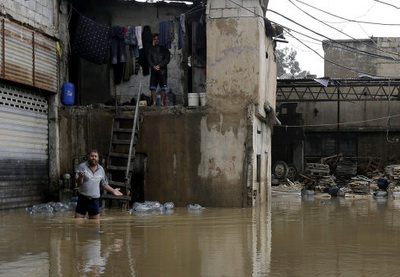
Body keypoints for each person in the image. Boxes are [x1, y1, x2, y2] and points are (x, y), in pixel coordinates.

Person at [75, 150, 123, 219]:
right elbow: (78, 182)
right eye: (92, 156)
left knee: (95, 225)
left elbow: (104, 184)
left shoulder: (101, 169)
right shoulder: (82, 166)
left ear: (98, 158)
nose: (93, 158)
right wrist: (80, 177)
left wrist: (113, 190)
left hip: (94, 200)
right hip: (83, 199)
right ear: (88, 157)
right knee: (78, 223)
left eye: (95, 156)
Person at [148, 33, 171, 106]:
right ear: (153, 40)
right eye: (155, 39)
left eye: (158, 39)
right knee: (152, 87)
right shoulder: (151, 49)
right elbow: (149, 59)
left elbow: (167, 59)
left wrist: (159, 66)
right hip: (154, 70)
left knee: (163, 87)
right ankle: (154, 102)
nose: (156, 40)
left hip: (162, 71)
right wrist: (153, 66)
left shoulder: (165, 49)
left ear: (160, 40)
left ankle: (162, 102)